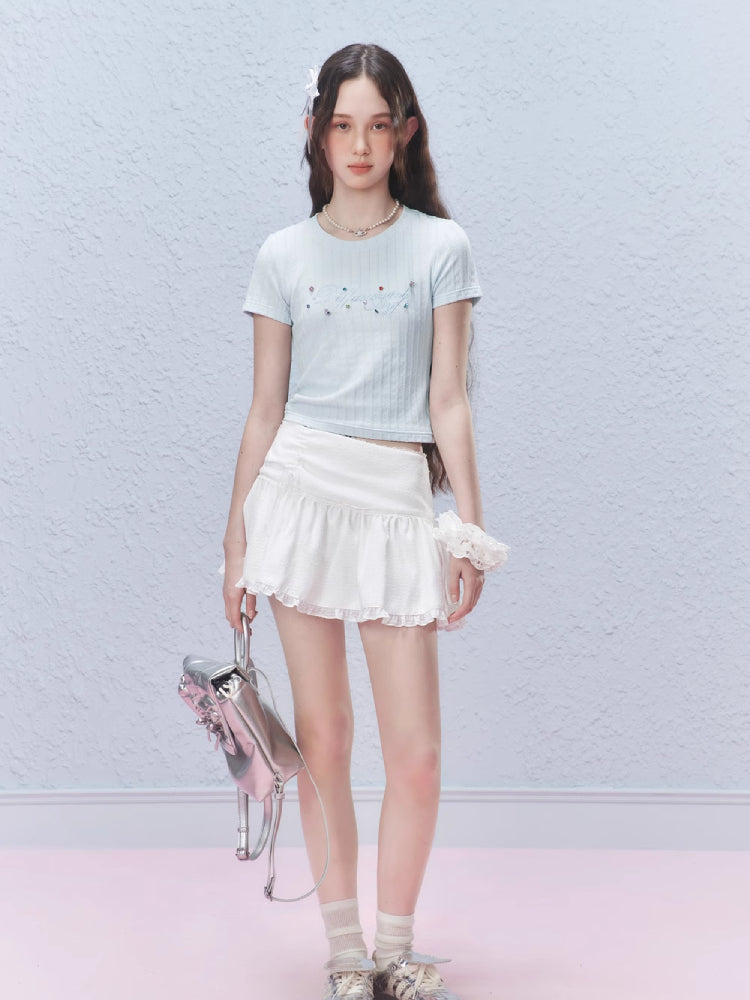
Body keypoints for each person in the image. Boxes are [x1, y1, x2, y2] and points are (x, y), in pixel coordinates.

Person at [222, 43, 508, 1000]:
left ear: (404, 133)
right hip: (298, 494)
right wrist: (236, 543)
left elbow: (449, 400)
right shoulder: (282, 255)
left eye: (377, 125)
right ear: (315, 132)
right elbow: (264, 408)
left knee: (416, 755)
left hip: (394, 501)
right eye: (341, 125)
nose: (358, 145)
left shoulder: (439, 247)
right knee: (326, 742)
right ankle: (347, 956)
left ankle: (395, 950)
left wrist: (468, 531)